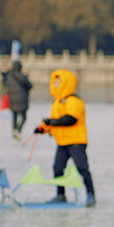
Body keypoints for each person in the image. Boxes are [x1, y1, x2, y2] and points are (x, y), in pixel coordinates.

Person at [36, 68, 96, 205]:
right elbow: (54, 120)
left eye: (59, 82)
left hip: (76, 141)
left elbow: (70, 119)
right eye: (55, 82)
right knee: (58, 168)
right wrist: (43, 129)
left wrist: (51, 122)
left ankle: (91, 193)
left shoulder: (74, 101)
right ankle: (61, 195)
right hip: (62, 142)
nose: (55, 84)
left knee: (82, 168)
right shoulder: (56, 102)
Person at [1, 59, 32, 138]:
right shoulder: (22, 76)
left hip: (12, 99)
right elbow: (29, 85)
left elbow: (4, 82)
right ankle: (18, 130)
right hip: (22, 99)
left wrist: (3, 72)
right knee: (24, 117)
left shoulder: (9, 76)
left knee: (14, 115)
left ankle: (14, 130)